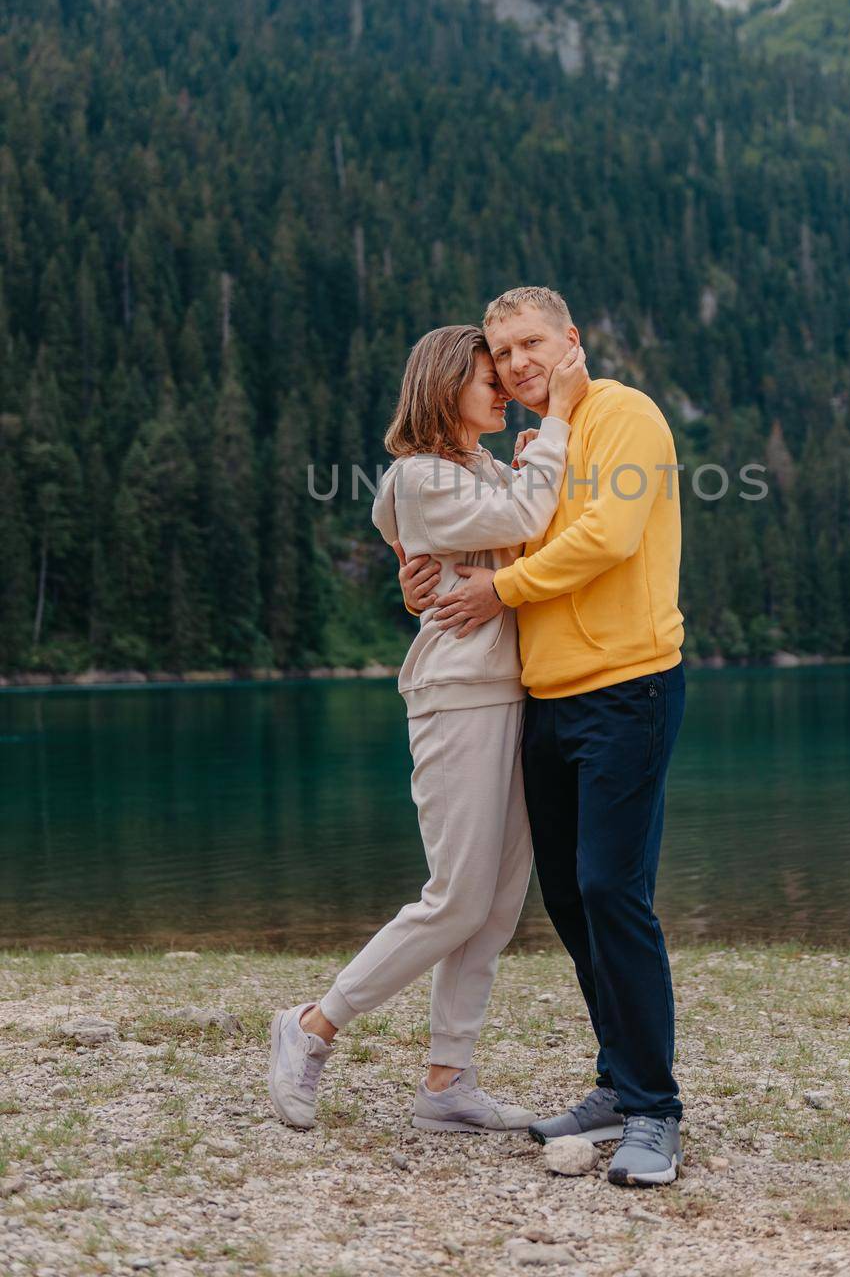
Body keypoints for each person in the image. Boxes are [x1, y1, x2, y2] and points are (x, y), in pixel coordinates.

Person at [268, 323, 590, 1134]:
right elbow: (505, 509)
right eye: (488, 374)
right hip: (458, 693)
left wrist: (412, 566)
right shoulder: (423, 474)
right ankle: (313, 1026)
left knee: (495, 906)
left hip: (513, 691)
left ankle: (448, 1080)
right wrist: (557, 419)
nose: (502, 385)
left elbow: (397, 522)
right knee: (454, 898)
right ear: (445, 385)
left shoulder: (468, 468)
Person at [400, 285, 687, 1187]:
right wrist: (427, 580)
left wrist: (500, 589)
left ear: (571, 338)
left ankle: (655, 1111)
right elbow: (503, 540)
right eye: (503, 351)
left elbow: (606, 537)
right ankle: (616, 1083)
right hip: (547, 698)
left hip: (627, 686)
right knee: (567, 894)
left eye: (531, 344)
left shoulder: (623, 415)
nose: (518, 363)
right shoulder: (538, 450)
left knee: (613, 889)